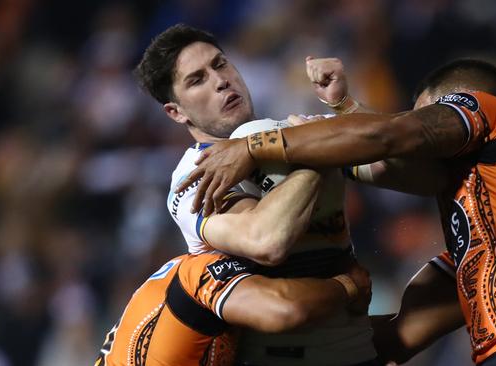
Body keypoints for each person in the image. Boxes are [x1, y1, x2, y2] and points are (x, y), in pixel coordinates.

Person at [179, 57, 496, 365]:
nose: (420, 150)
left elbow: (391, 138)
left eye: (430, 121)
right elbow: (398, 336)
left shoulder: (495, 114)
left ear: (458, 107)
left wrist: (254, 147)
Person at [133, 24, 377, 365]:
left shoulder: (293, 131)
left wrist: (344, 106)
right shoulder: (192, 178)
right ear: (176, 112)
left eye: (220, 64)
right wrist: (316, 153)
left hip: (356, 352)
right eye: (197, 80)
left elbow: (408, 169)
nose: (221, 80)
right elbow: (266, 241)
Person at [94, 170, 372, 366]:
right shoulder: (197, 273)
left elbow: (336, 339)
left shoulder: (218, 293)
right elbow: (285, 309)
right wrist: (347, 286)